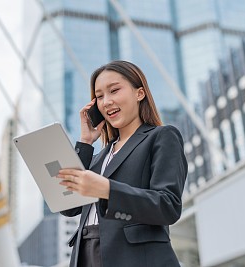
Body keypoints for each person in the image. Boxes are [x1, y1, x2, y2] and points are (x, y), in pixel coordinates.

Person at [57, 60, 188, 267]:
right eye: (99, 96)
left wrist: (108, 190)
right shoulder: (98, 157)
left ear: (140, 93)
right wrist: (85, 142)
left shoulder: (161, 136)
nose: (106, 101)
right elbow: (69, 208)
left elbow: (168, 206)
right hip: (85, 255)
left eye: (114, 90)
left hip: (135, 257)